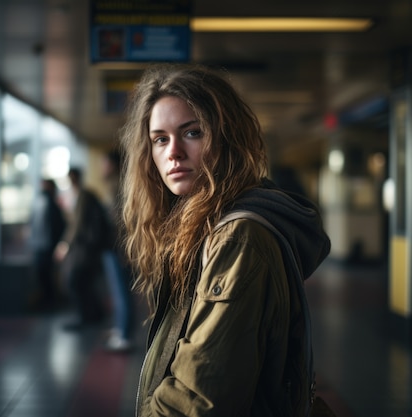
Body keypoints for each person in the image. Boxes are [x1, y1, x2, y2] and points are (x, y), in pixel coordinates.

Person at [118, 64, 331, 416]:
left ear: (226, 136)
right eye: (160, 139)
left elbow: (198, 398)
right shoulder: (200, 229)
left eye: (191, 133)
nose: (173, 152)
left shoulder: (236, 239)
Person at [56, 167, 109, 330]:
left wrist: (65, 244)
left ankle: (85, 316)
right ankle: (93, 314)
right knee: (83, 282)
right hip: (86, 247)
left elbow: (77, 224)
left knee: (76, 280)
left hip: (84, 247)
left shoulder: (83, 196)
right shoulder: (81, 195)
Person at [100, 149, 135, 351]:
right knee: (119, 289)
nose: (101, 168)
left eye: (104, 163)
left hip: (116, 246)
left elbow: (120, 220)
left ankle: (124, 334)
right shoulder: (120, 184)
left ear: (113, 165)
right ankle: (121, 327)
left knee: (121, 290)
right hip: (117, 245)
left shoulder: (117, 186)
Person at [30, 178, 66, 310]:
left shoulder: (48, 204)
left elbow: (57, 227)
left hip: (46, 246)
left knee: (46, 275)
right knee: (43, 275)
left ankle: (49, 301)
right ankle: (48, 300)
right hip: (42, 245)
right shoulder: (43, 203)